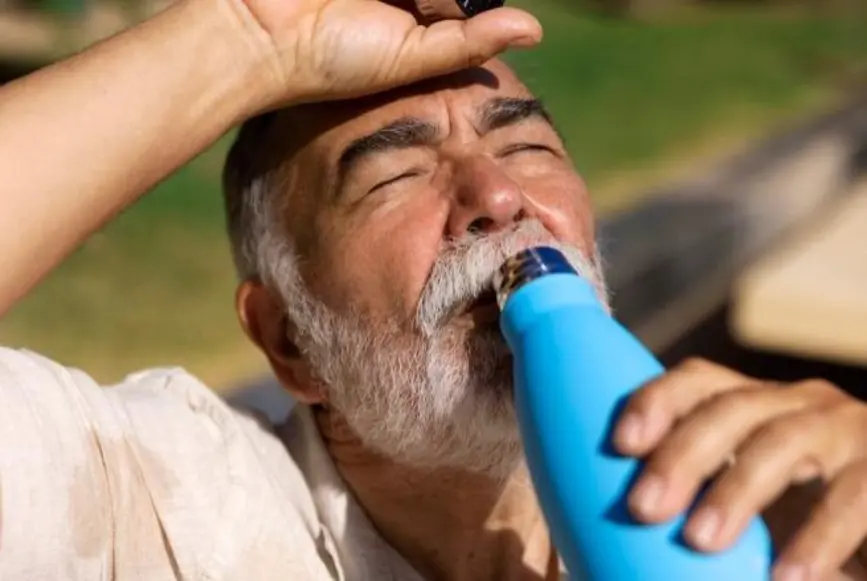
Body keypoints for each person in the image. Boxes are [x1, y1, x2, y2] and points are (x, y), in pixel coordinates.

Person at [1, 0, 866, 579]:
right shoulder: (161, 505)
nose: (496, 199)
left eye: (527, 149)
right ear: (287, 340)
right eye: (394, 177)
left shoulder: (767, 507)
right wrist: (246, 34)